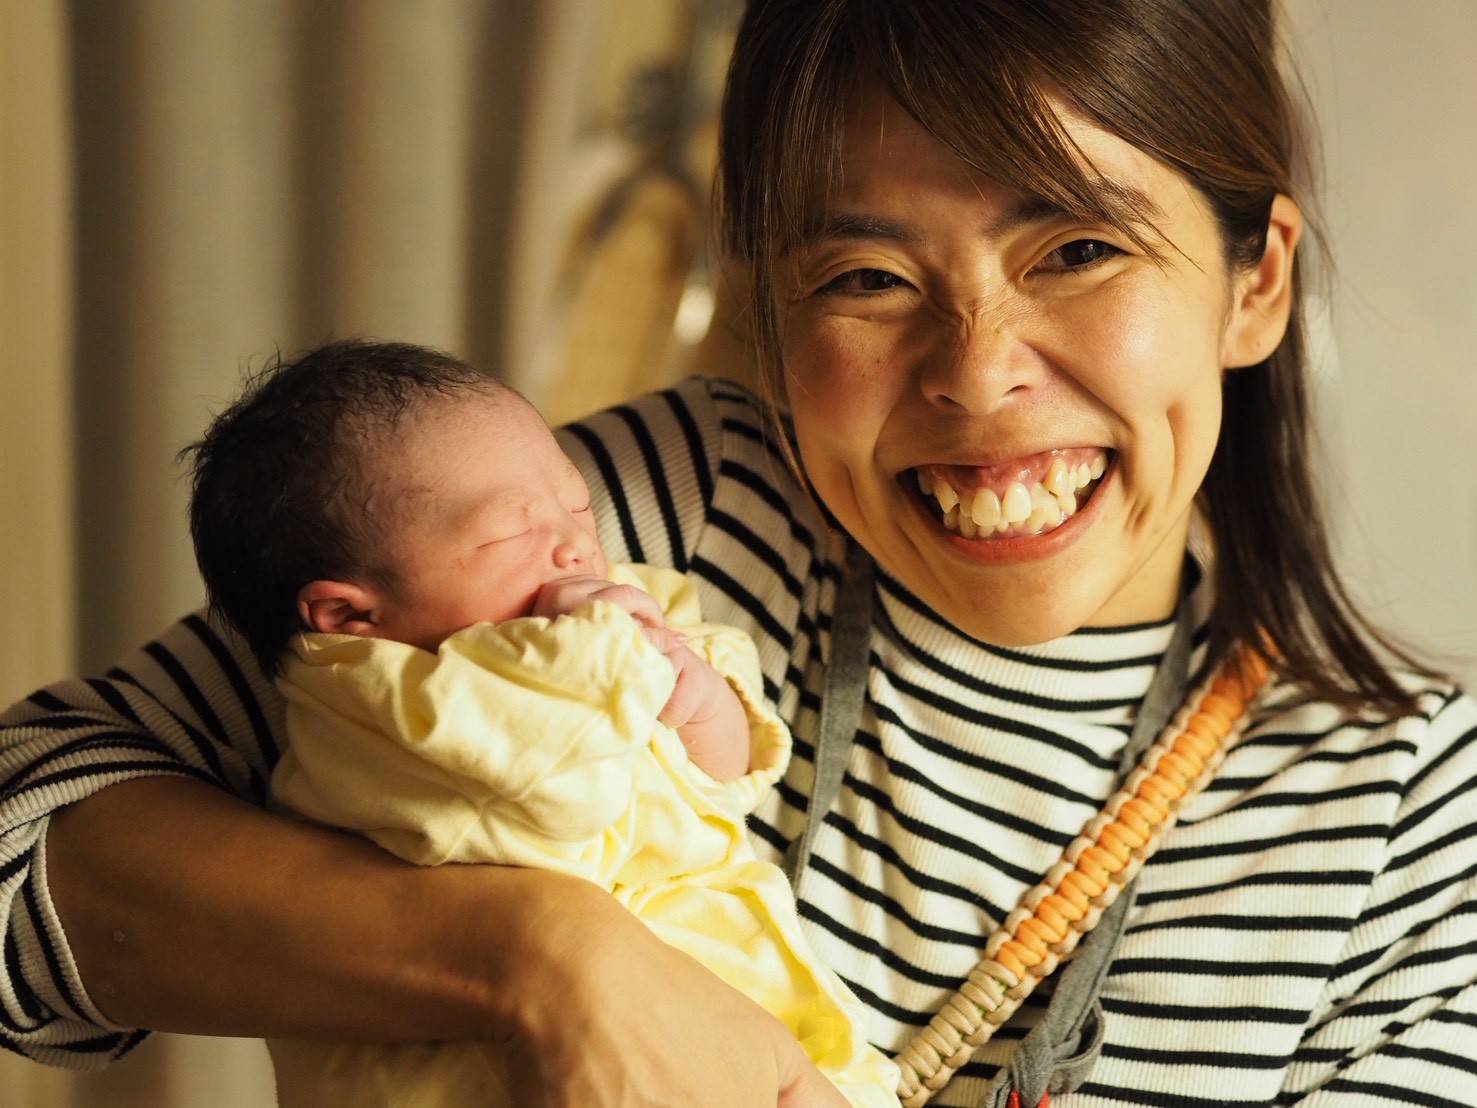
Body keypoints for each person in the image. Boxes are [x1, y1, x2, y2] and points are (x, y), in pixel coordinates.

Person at [2, 2, 1474, 1106]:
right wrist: (538, 961)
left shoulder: (1418, 821)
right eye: (867, 276)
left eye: (1077, 250)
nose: (976, 373)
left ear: (1253, 283)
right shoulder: (668, 523)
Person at [178, 339, 900, 1107]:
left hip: (746, 1027)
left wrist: (696, 695)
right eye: (507, 535)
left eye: (578, 505)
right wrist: (605, 648)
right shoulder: (401, 706)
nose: (573, 543)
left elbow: (727, 780)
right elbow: (565, 790)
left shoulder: (606, 613)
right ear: (350, 617)